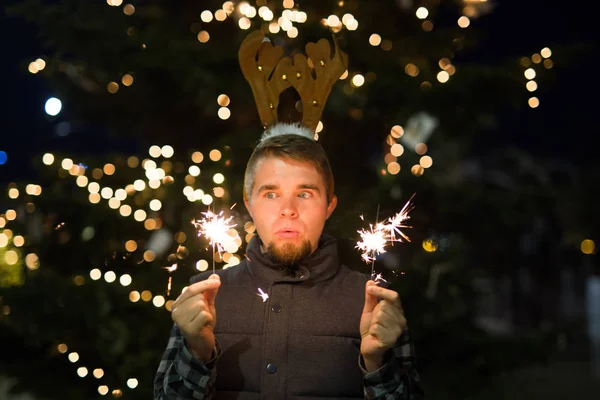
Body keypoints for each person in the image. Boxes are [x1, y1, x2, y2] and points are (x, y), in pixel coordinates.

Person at [154, 123, 423, 399]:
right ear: (249, 203)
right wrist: (197, 352)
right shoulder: (203, 297)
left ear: (329, 205)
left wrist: (377, 363)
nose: (288, 210)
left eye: (304, 194)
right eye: (271, 194)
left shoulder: (375, 301)